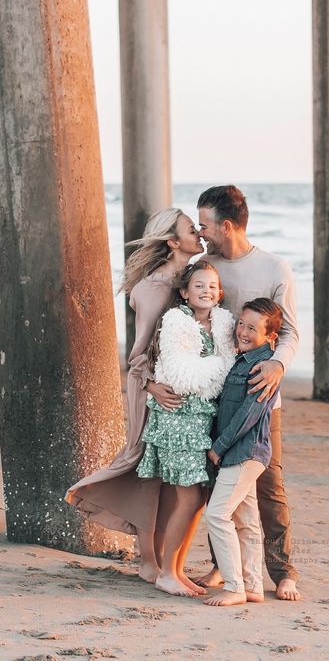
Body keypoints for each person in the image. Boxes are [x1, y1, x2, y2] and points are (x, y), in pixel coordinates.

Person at [65, 207, 204, 588]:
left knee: (175, 476)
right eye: (192, 229)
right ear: (173, 242)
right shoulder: (154, 288)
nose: (200, 233)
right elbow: (138, 354)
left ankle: (165, 563)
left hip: (178, 389)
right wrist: (151, 387)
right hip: (149, 388)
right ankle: (148, 562)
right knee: (148, 470)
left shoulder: (190, 277)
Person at [196, 185, 300, 601]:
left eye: (205, 225)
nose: (201, 233)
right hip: (216, 393)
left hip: (261, 392)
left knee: (268, 483)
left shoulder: (275, 268)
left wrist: (277, 364)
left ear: (226, 225)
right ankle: (225, 566)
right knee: (219, 483)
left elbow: (290, 331)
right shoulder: (205, 265)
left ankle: (283, 571)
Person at [136, 261, 235, 597]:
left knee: (198, 497)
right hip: (177, 420)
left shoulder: (222, 324)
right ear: (184, 293)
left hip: (203, 420)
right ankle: (165, 572)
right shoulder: (176, 321)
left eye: (212, 286)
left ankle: (175, 570)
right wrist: (222, 366)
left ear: (219, 293)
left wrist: (218, 369)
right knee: (190, 496)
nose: (207, 291)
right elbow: (182, 376)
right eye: (199, 286)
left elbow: (218, 372)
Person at [204, 298, 283, 607]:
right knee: (246, 521)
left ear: (270, 337)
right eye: (242, 324)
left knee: (217, 514)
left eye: (253, 328)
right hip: (242, 452)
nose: (244, 332)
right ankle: (252, 585)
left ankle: (234, 585)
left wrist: (218, 447)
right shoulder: (244, 359)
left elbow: (249, 413)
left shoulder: (262, 367)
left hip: (244, 452)